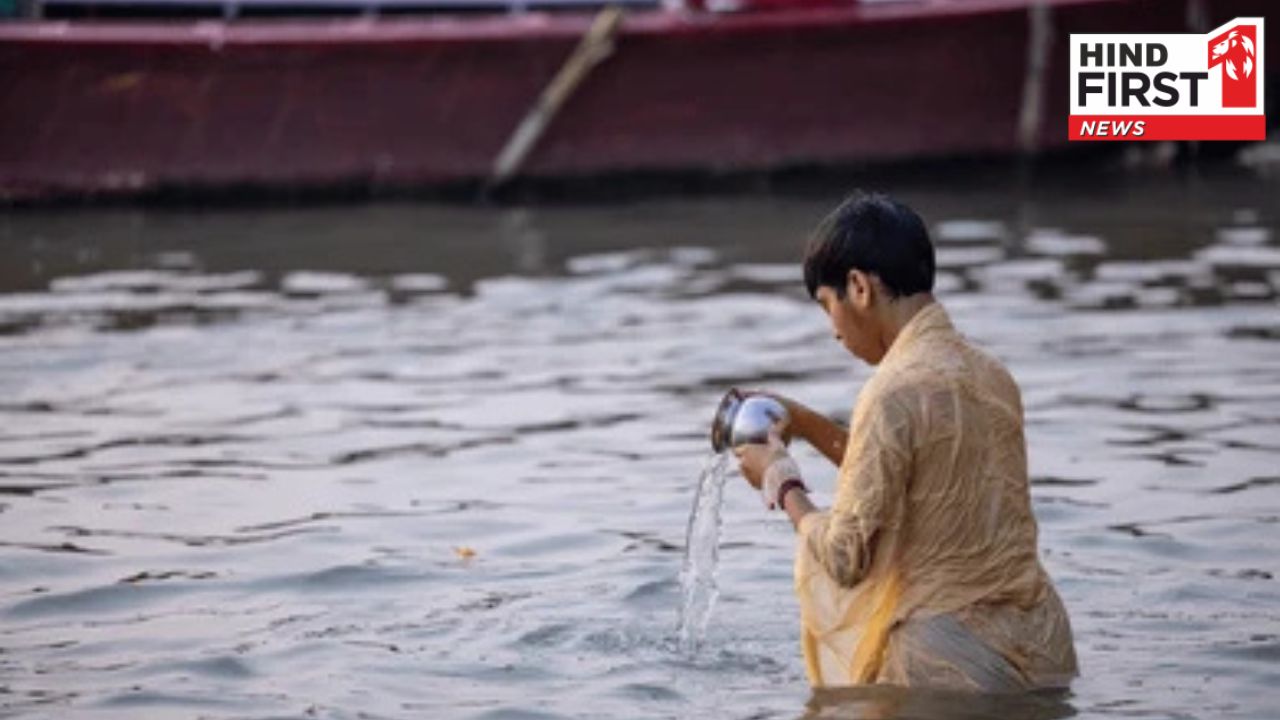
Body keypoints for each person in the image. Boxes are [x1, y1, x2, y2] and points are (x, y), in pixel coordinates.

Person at [735, 192, 1078, 692]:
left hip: (952, 661)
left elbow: (845, 556)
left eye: (827, 306)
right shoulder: (991, 374)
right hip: (1044, 646)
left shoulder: (891, 391)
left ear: (857, 287)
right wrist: (805, 424)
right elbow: (909, 471)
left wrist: (779, 478)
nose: (833, 331)